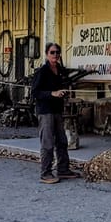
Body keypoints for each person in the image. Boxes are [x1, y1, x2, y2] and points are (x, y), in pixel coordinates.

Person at [31, 42, 80, 184]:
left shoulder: (60, 70)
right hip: (45, 111)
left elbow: (65, 84)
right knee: (47, 143)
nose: (55, 55)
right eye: (52, 52)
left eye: (57, 52)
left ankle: (63, 169)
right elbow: (35, 92)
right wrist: (52, 93)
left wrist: (63, 92)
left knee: (62, 141)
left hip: (57, 110)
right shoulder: (42, 71)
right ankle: (45, 173)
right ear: (47, 54)